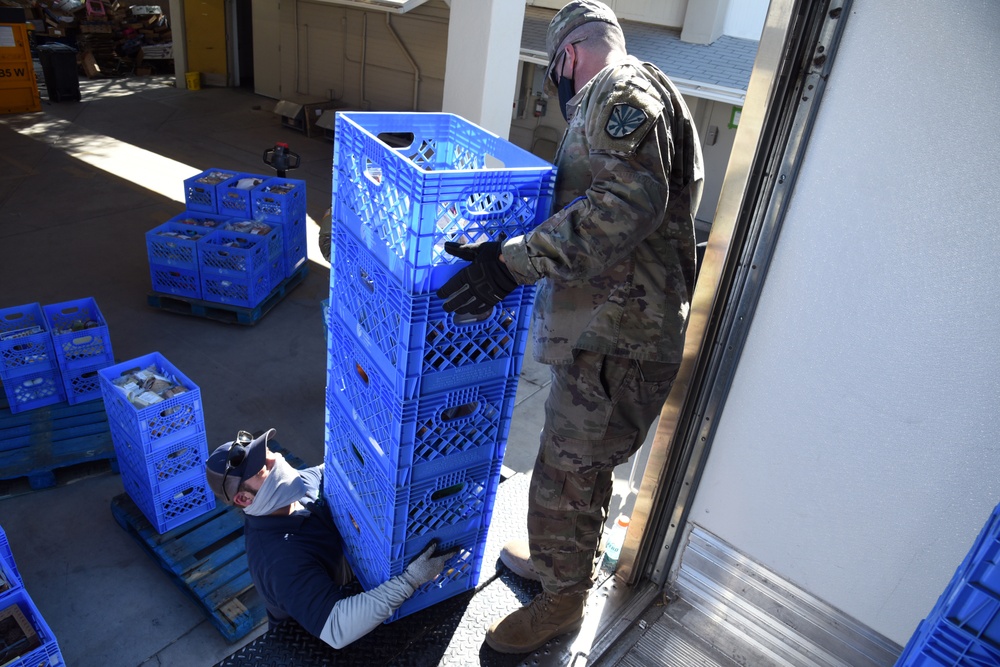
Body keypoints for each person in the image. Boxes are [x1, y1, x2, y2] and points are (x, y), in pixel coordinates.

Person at [436, 0, 703, 654]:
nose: (557, 84)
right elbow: (590, 200)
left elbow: (623, 206)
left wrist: (513, 266)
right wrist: (510, 244)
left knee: (566, 470)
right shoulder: (637, 92)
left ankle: (561, 603)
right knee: (580, 466)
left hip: (622, 339)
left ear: (569, 55)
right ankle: (562, 563)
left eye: (557, 69)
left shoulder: (621, 91)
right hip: (612, 331)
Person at [205, 428, 455, 649]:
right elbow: (338, 628)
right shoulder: (279, 558)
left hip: (351, 579)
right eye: (264, 468)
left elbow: (341, 468)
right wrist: (410, 581)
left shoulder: (297, 486)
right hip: (313, 640)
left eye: (269, 451)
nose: (278, 459)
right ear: (244, 499)